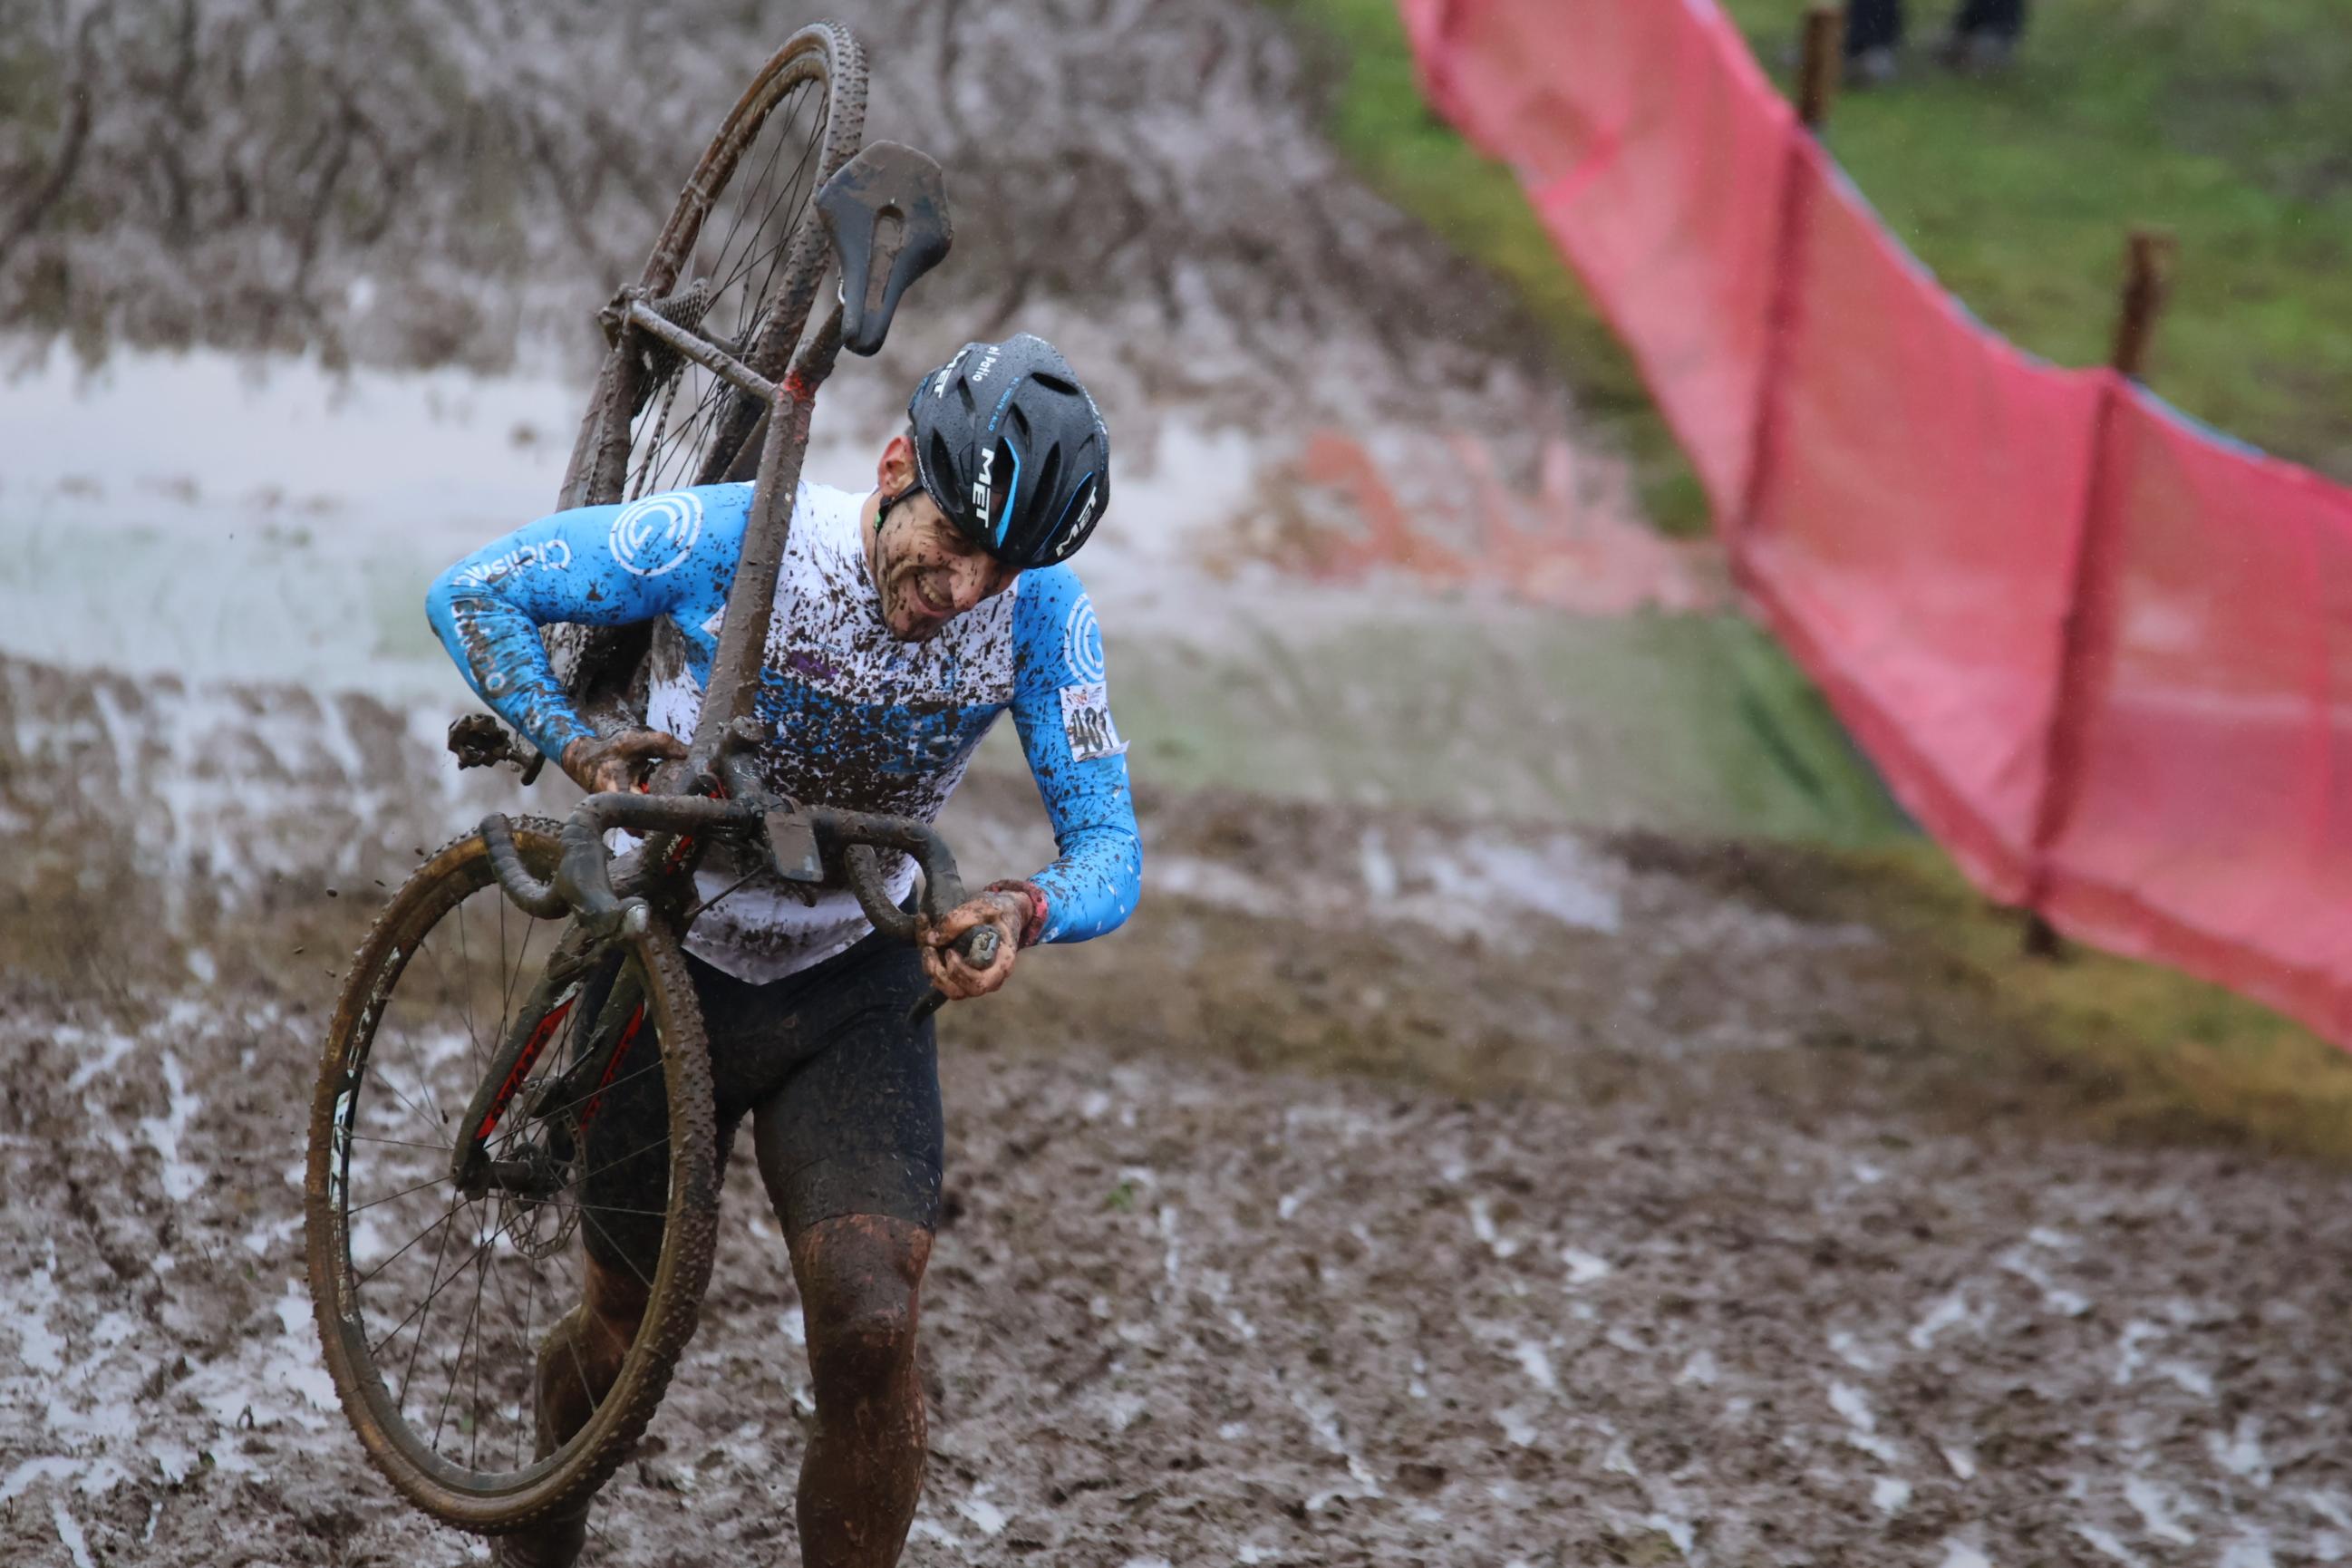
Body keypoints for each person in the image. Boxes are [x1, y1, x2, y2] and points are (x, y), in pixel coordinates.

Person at [424, 333, 1142, 1568]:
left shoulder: (1039, 618)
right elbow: (473, 591)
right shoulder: (733, 537)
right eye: (956, 541)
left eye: (1005, 566)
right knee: (620, 1325)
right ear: (896, 462)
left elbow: (1110, 850)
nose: (968, 589)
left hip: (850, 982)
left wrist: (1023, 910)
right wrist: (580, 748)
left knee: (872, 1327)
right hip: (666, 960)